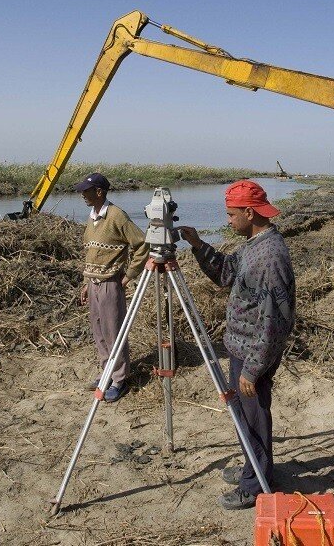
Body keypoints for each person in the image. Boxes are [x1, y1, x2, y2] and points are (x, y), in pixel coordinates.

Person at [178, 179, 295, 511]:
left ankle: (254, 485)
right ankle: (253, 469)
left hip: (252, 354)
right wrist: (199, 244)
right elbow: (227, 273)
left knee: (254, 418)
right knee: (246, 417)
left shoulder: (270, 256)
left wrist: (253, 370)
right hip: (242, 348)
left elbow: (275, 322)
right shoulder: (254, 244)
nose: (228, 220)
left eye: (231, 214)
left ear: (249, 212)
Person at [76, 173, 149, 403]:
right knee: (99, 331)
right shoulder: (92, 216)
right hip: (94, 283)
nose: (83, 195)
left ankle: (119, 379)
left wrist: (128, 276)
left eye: (86, 191)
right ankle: (106, 372)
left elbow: (142, 244)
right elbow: (91, 252)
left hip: (110, 283)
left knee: (113, 330)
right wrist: (86, 282)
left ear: (100, 192)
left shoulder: (117, 216)